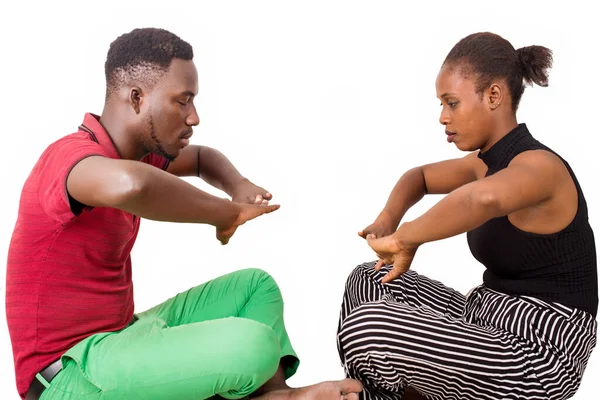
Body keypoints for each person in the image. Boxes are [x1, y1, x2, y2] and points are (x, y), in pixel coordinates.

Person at [6, 27, 363, 400]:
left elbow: (202, 158)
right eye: (182, 101)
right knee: (253, 343)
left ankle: (276, 395)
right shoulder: (70, 158)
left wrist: (237, 185)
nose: (194, 117)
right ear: (137, 98)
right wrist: (223, 214)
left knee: (256, 287)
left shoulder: (132, 155)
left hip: (121, 337)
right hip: (66, 375)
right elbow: (133, 186)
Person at [336, 32, 598, 400]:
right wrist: (387, 220)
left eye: (452, 103)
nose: (443, 117)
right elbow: (420, 178)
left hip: (539, 354)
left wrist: (406, 237)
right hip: (486, 315)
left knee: (370, 327)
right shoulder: (482, 163)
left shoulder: (540, 167)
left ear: (493, 96)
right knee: (368, 279)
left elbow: (483, 199)